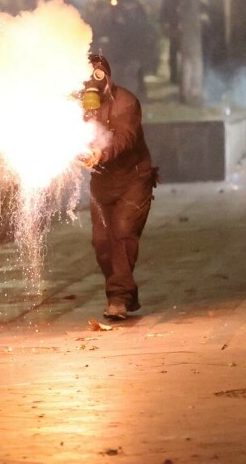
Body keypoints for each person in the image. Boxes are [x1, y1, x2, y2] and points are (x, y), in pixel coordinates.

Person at [78, 54, 157, 320]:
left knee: (122, 233)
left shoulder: (126, 102)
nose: (92, 81)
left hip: (134, 179)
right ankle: (125, 291)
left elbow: (126, 137)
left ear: (107, 77)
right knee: (101, 242)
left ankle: (118, 298)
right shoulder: (77, 105)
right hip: (102, 182)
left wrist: (101, 153)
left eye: (98, 75)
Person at [158, 0, 182, 84]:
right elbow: (163, 13)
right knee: (173, 53)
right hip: (173, 28)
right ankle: (174, 76)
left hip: (177, 28)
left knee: (177, 53)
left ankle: (177, 76)